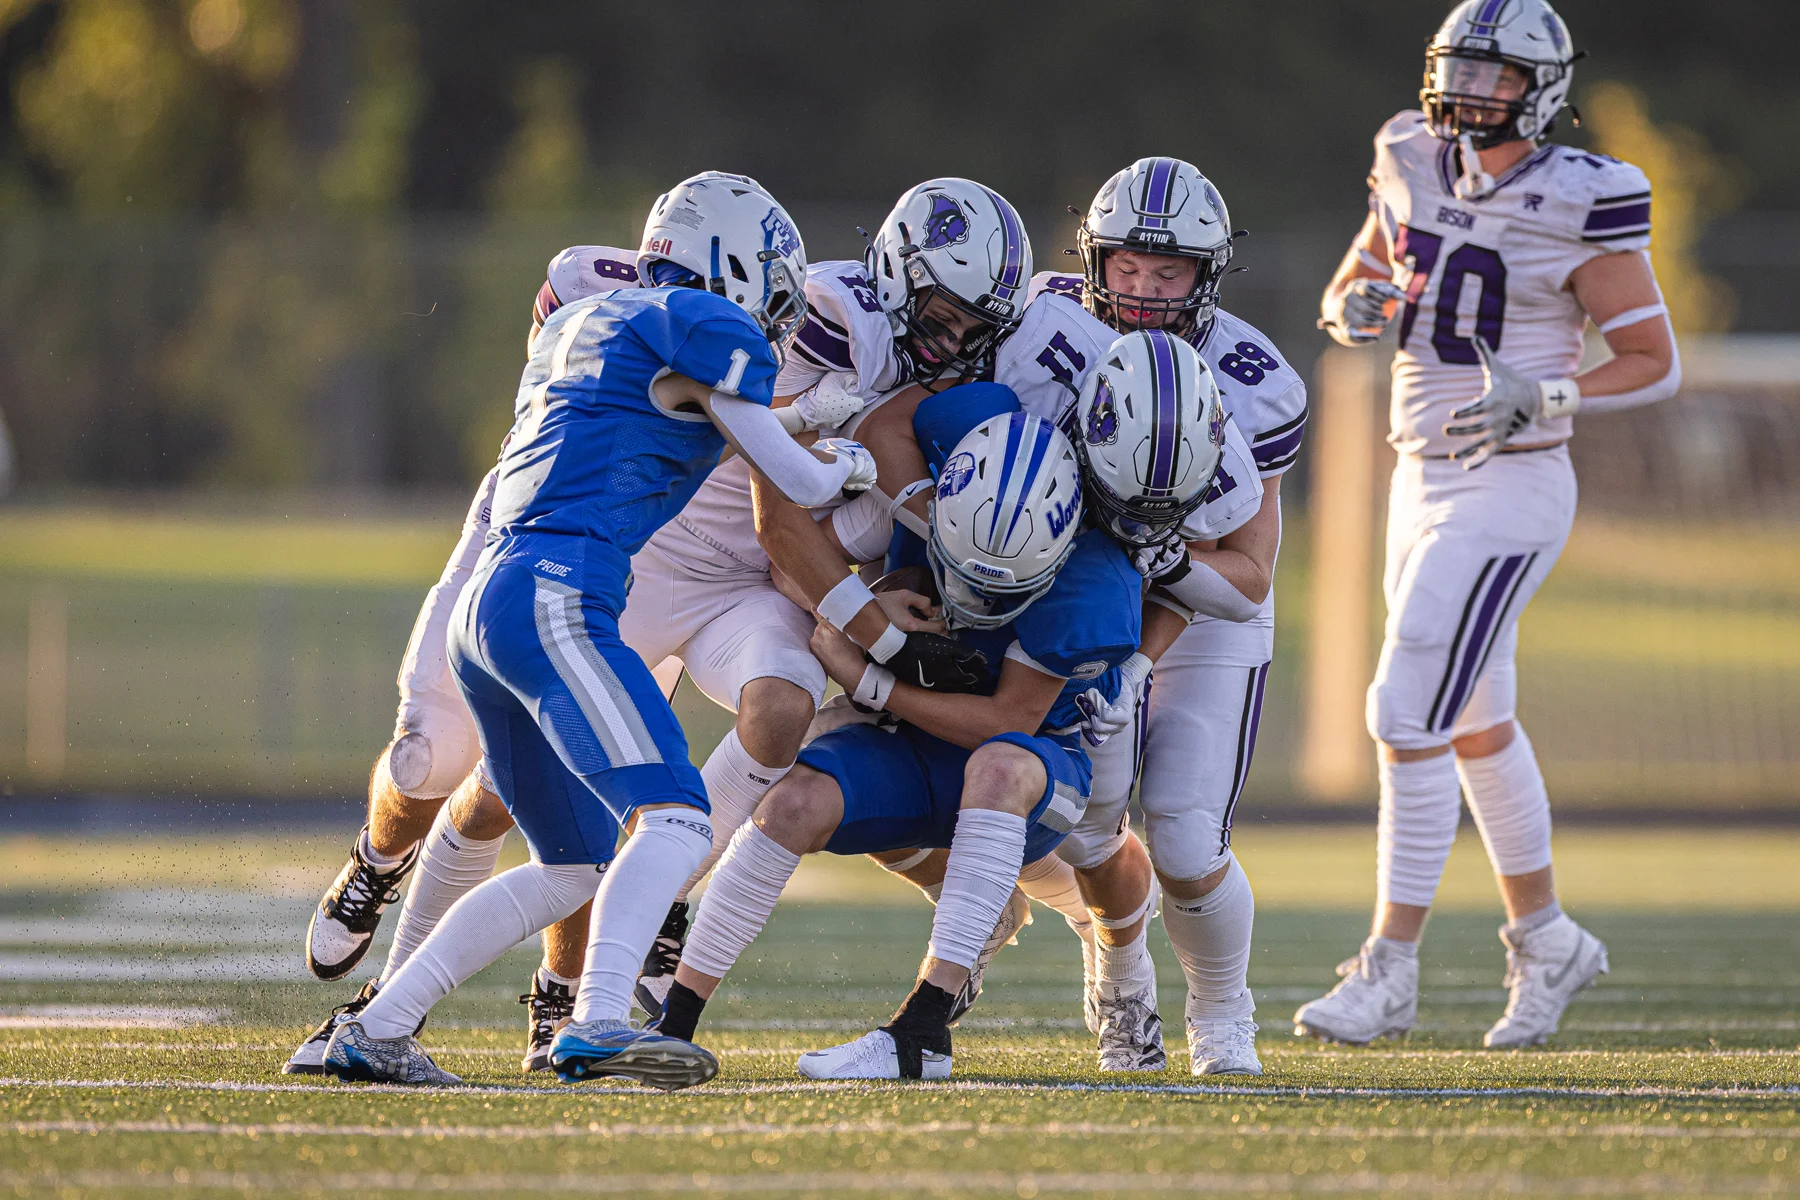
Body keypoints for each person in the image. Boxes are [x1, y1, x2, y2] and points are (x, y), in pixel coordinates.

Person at [319, 171, 876, 1090]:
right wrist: (853, 459)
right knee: (677, 817)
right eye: (769, 287)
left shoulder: (593, 317)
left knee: (572, 862)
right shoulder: (711, 323)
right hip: (559, 594)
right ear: (733, 266)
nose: (773, 313)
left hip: (489, 599)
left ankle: (377, 1025)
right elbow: (800, 482)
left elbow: (721, 423)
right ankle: (601, 1017)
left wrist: (807, 421)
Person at [1295, 0, 1679, 1049]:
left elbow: (1655, 359)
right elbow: (1362, 275)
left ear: (1541, 91)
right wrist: (1351, 309)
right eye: (1457, 68)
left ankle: (1389, 968)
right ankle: (1546, 939)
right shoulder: (1407, 151)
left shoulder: (1579, 198)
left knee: (1400, 701)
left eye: (1493, 76)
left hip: (1512, 482)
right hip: (1416, 474)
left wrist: (1553, 397)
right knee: (1470, 720)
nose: (1467, 93)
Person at [656, 400, 1147, 1081]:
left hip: (1039, 768)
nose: (973, 597)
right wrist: (864, 607)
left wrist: (871, 679)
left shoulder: (1094, 582)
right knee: (792, 801)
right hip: (915, 746)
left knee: (1001, 768)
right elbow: (888, 426)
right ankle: (672, 1022)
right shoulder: (931, 469)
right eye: (961, 568)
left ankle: (923, 1032)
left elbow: (1006, 722)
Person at [290, 243, 657, 1076]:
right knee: (427, 760)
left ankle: (548, 1000)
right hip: (517, 563)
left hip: (613, 585)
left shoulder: (694, 364)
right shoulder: (561, 406)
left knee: (578, 807)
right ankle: (378, 866)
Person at [1024, 158, 1305, 1076]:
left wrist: (1161, 564)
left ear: (1207, 275)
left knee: (1184, 834)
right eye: (1127, 271)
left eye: (1168, 274)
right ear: (1095, 261)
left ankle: (1224, 1016)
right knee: (1085, 825)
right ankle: (1123, 975)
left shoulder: (1254, 380)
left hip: (1207, 606)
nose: (1142, 293)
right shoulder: (1040, 320)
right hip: (1087, 592)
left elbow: (1249, 575)